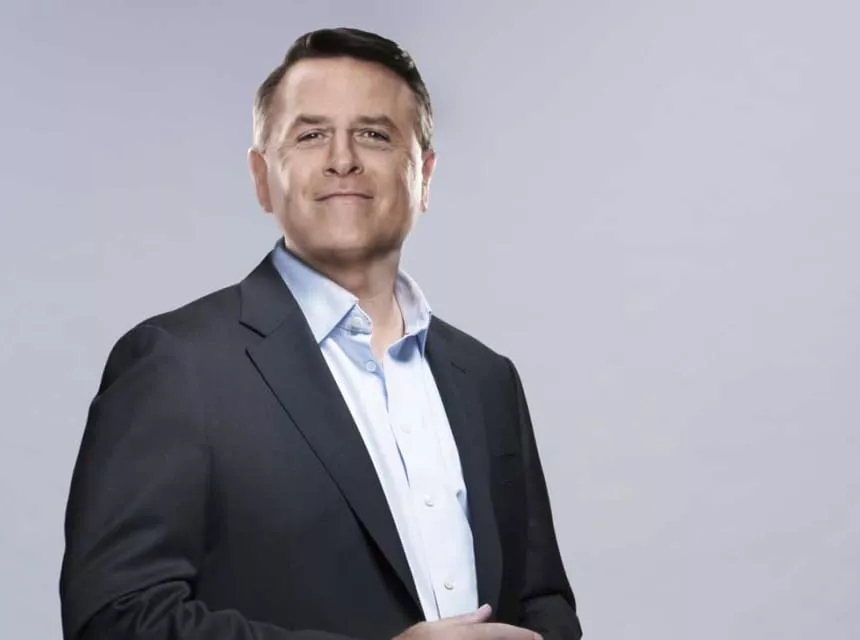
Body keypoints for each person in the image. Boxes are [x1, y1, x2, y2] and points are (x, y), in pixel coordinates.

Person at [59, 26, 582, 640]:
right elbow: (114, 618)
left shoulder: (487, 379)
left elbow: (542, 600)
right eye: (310, 135)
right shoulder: (177, 365)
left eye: (374, 134)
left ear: (425, 174)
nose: (342, 159)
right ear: (262, 177)